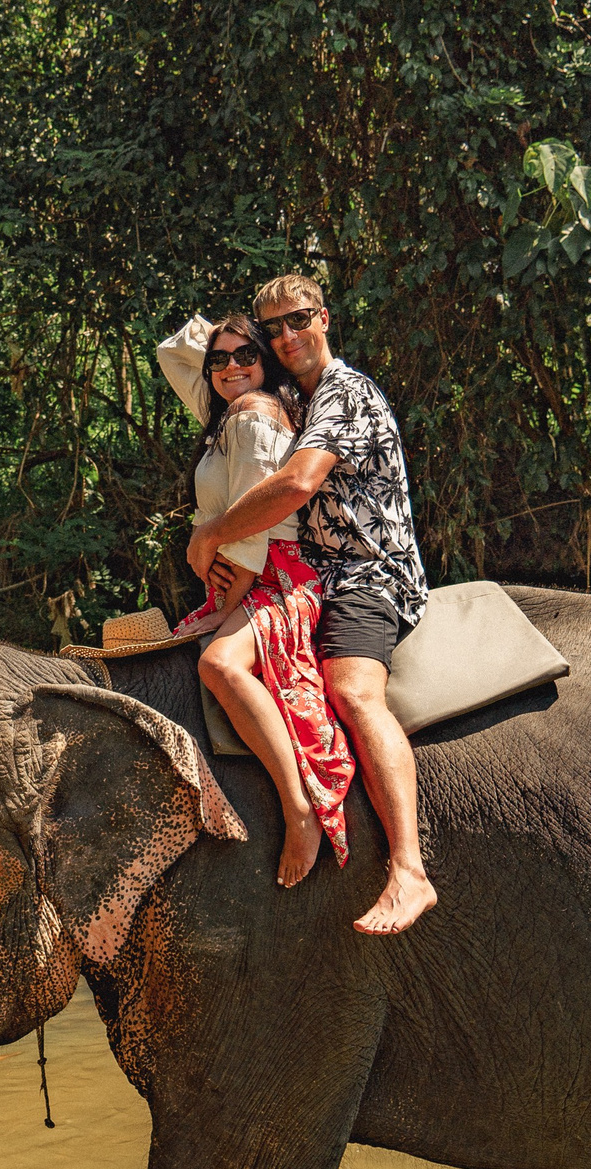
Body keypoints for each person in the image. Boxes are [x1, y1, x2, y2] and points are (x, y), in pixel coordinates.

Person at [187, 274, 437, 934]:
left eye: (297, 320)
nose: (285, 337)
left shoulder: (342, 392)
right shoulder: (289, 396)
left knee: (352, 690)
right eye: (273, 330)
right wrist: (231, 349)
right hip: (317, 572)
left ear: (324, 318)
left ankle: (409, 869)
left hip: (364, 574)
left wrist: (212, 532)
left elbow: (298, 482)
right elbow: (187, 357)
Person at [155, 313, 355, 888]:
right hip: (242, 575)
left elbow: (254, 526)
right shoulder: (225, 414)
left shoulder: (252, 418)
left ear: (266, 363)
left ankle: (298, 808)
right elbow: (174, 353)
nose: (230, 368)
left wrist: (226, 603)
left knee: (219, 663)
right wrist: (220, 338)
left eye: (246, 356)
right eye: (218, 361)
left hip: (274, 573)